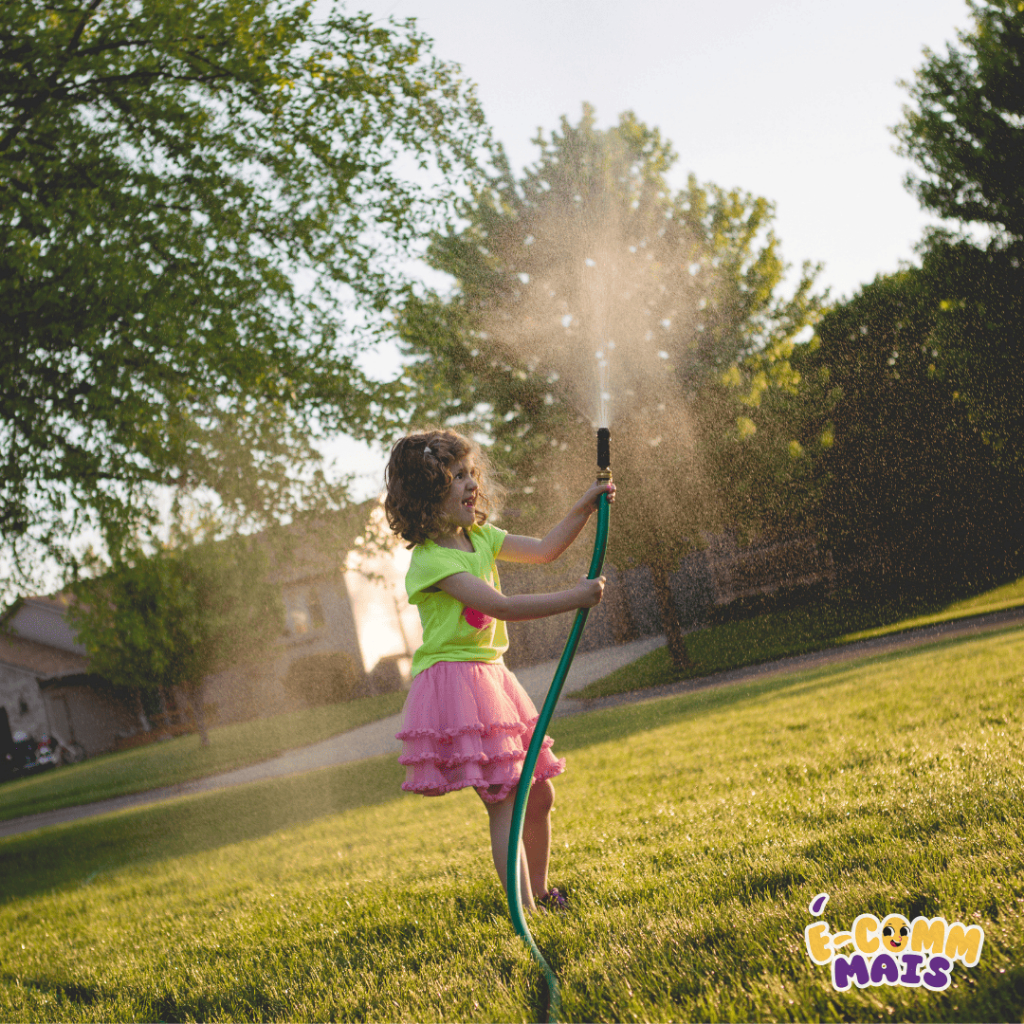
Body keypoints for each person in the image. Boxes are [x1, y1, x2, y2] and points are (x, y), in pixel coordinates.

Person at [384, 428, 615, 912]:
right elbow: (501, 606)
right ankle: (524, 911)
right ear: (428, 492)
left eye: (472, 473)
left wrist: (584, 507)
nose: (472, 483)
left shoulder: (481, 538)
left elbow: (545, 549)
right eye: (457, 476)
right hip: (457, 683)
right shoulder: (431, 562)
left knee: (539, 794)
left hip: (491, 677)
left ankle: (542, 894)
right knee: (503, 798)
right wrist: (575, 598)